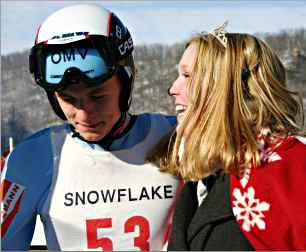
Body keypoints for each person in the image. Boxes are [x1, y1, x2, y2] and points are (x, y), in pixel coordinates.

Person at [162, 23, 306, 250]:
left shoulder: (294, 164)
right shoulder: (207, 174)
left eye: (187, 75)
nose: (173, 88)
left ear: (226, 85)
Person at [1, 4, 180, 250]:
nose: (85, 113)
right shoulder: (32, 159)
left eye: (98, 97)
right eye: (69, 100)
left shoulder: (176, 138)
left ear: (125, 83)